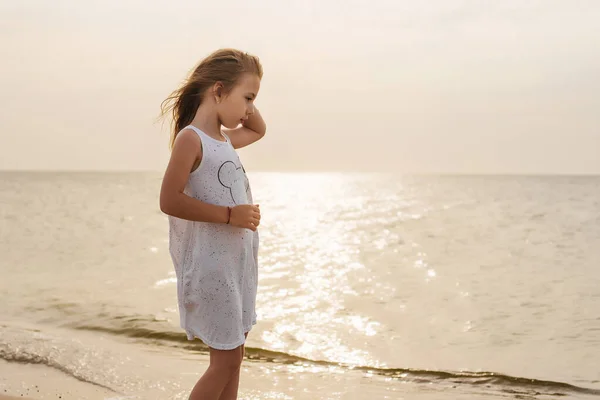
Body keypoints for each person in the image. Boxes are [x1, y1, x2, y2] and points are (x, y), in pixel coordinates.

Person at [159, 48, 265, 400]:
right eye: (247, 97)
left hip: (238, 266)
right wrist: (230, 215)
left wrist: (245, 97)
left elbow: (258, 128)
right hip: (214, 267)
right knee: (225, 361)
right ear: (218, 91)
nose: (250, 108)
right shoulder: (192, 139)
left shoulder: (224, 139)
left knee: (234, 359)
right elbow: (169, 199)